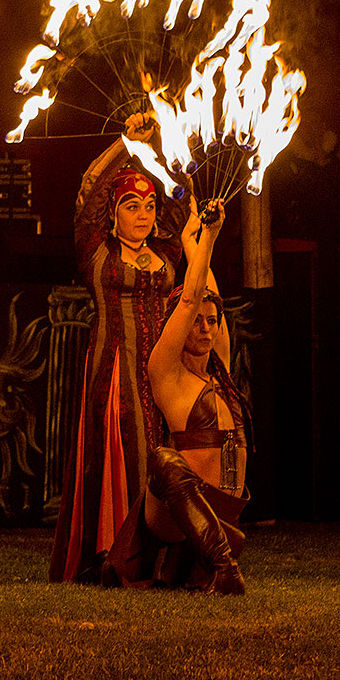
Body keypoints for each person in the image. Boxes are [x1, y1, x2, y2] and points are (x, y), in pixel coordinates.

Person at [49, 113, 188, 583]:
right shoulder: (96, 252)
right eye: (132, 206)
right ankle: (112, 550)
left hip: (164, 374)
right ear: (114, 213)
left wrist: (170, 135)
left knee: (165, 453)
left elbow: (180, 201)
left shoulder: (167, 252)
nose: (144, 214)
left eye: (148, 207)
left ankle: (160, 554)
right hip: (114, 370)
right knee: (125, 447)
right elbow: (89, 195)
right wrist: (125, 143)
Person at [102, 197, 248, 594]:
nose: (205, 328)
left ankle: (218, 557)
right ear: (177, 327)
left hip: (222, 511)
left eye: (211, 323)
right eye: (195, 322)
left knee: (208, 305)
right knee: (164, 460)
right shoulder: (166, 372)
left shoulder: (221, 370)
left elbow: (208, 297)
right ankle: (225, 568)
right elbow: (190, 299)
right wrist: (211, 237)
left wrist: (194, 241)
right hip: (167, 519)